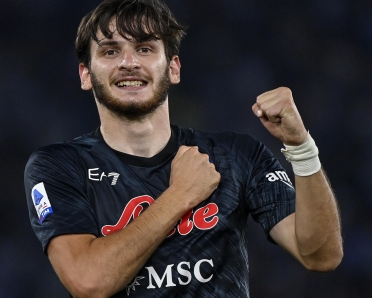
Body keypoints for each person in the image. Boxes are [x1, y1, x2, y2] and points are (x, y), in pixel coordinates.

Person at [24, 0, 343, 297]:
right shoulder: (58, 167)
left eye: (145, 48)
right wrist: (180, 195)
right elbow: (88, 282)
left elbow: (321, 255)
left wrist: (301, 147)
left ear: (173, 68)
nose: (129, 62)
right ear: (85, 75)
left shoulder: (236, 155)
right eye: (110, 52)